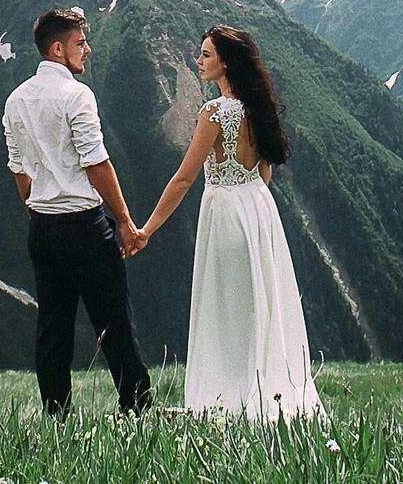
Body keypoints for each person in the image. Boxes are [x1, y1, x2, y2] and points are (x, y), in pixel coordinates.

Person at [137, 24, 322, 419]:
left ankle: (228, 398)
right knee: (260, 304)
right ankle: (263, 393)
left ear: (225, 62)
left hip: (225, 214)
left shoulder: (215, 113)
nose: (198, 61)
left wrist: (146, 229)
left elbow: (184, 178)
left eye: (205, 55)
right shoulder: (260, 108)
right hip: (258, 209)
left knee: (227, 309)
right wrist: (250, 196)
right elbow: (265, 172)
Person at [1, 6, 153, 416]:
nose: (88, 49)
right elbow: (96, 162)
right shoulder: (76, 95)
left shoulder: (16, 100)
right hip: (84, 226)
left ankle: (57, 416)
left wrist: (37, 212)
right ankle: (136, 409)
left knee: (53, 328)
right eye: (79, 43)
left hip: (43, 229)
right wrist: (123, 221)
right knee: (115, 323)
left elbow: (19, 169)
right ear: (56, 49)